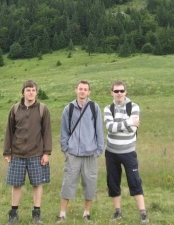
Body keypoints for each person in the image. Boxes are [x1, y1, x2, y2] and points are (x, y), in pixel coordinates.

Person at [3, 80, 52, 225]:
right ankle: (13, 213)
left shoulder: (43, 109)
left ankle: (36, 213)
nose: (31, 92)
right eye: (28, 90)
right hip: (17, 153)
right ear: (23, 92)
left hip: (36, 154)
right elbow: (9, 132)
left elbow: (47, 132)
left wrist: (46, 152)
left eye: (33, 90)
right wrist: (7, 152)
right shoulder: (15, 109)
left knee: (37, 184)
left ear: (36, 92)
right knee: (16, 184)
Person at [57, 80, 104, 222]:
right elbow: (64, 131)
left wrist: (98, 151)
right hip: (73, 154)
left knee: (90, 184)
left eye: (85, 89)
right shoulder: (68, 109)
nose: (82, 91)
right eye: (80, 89)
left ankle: (86, 213)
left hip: (90, 154)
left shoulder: (94, 108)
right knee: (68, 183)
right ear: (76, 90)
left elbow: (99, 131)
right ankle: (62, 214)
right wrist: (65, 149)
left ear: (89, 92)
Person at [104, 80, 149, 224]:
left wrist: (123, 125)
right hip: (111, 151)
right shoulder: (107, 109)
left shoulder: (134, 107)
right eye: (116, 91)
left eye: (121, 91)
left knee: (135, 181)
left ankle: (143, 213)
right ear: (112, 92)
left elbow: (132, 129)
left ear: (126, 92)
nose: (119, 94)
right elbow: (110, 127)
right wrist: (128, 122)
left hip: (128, 151)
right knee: (113, 182)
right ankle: (117, 212)